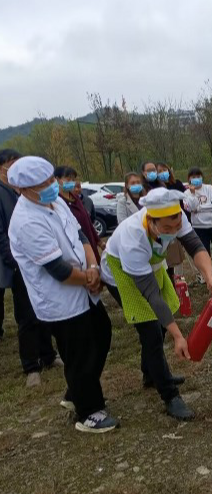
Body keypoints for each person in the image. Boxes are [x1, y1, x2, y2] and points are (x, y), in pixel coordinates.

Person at [8, 156, 117, 433]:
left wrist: (93, 267)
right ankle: (88, 413)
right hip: (61, 300)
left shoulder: (56, 203)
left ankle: (76, 391)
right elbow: (57, 269)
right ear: (23, 189)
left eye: (50, 180)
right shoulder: (26, 221)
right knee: (79, 352)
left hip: (83, 286)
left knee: (102, 333)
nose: (50, 186)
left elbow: (80, 235)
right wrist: (88, 278)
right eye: (41, 184)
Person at [100, 188, 212, 420]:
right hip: (124, 275)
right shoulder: (133, 237)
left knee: (158, 327)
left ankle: (150, 374)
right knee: (151, 331)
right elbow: (151, 295)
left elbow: (195, 246)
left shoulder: (175, 217)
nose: (173, 232)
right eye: (167, 229)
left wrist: (209, 276)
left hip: (151, 268)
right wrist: (178, 335)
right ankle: (169, 395)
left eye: (176, 226)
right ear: (151, 221)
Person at [0, 149, 60, 386]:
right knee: (26, 316)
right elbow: (2, 236)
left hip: (39, 261)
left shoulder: (23, 193)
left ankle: (48, 355)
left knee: (43, 309)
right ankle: (31, 366)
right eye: (12, 165)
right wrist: (15, 262)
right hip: (19, 265)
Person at [184, 167, 212, 285]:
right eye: (193, 177)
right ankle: (207, 276)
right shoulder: (187, 193)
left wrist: (198, 208)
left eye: (198, 176)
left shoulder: (210, 188)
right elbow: (190, 208)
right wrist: (194, 195)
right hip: (199, 228)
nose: (196, 179)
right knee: (204, 254)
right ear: (189, 179)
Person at [54, 166, 103, 263]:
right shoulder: (57, 202)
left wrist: (98, 241)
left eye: (73, 179)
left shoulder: (76, 198)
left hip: (90, 242)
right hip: (76, 248)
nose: (71, 182)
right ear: (57, 179)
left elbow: (88, 222)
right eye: (68, 179)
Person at [155, 162, 188, 282]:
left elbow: (185, 199)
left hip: (179, 219)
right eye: (160, 171)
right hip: (164, 225)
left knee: (178, 252)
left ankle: (178, 276)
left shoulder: (177, 183)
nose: (163, 173)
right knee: (166, 253)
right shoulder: (155, 189)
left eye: (165, 170)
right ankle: (169, 277)